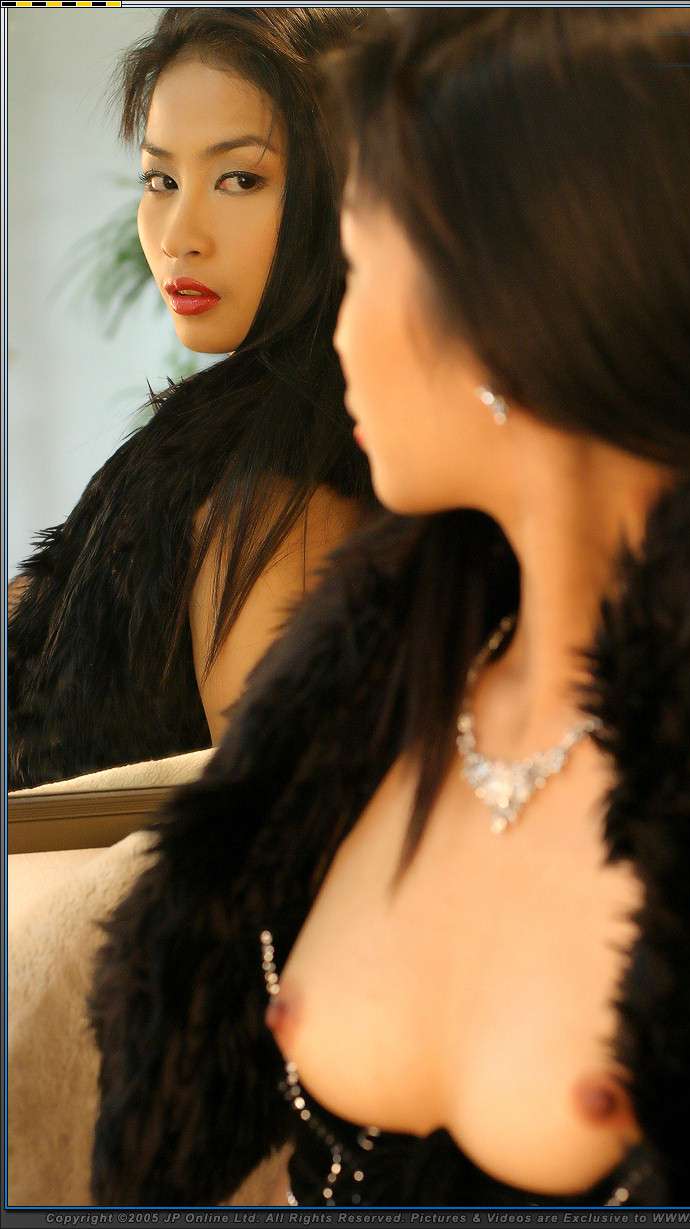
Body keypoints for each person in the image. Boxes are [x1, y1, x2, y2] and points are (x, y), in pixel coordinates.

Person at [88, 8, 690, 1208]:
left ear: (530, 290)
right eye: (157, 178)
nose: (339, 331)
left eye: (362, 266)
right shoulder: (370, 678)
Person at [8, 7, 375, 789]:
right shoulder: (213, 449)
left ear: (348, 184)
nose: (179, 235)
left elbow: (277, 832)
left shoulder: (282, 486)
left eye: (240, 178)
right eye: (161, 180)